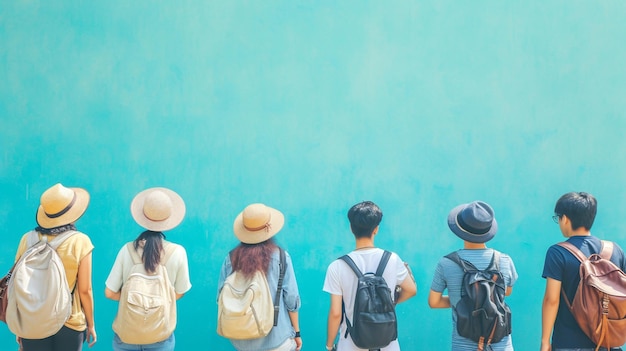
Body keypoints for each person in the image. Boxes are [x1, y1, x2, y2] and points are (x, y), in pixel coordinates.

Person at [105, 187, 192, 351]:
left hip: (126, 338)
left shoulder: (127, 250)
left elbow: (109, 293)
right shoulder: (178, 252)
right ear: (169, 219)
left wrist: (134, 299)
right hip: (160, 337)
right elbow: (180, 292)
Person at [323, 200, 417, 351]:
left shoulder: (337, 266)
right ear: (376, 229)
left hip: (351, 343)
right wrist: (387, 304)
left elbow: (336, 313)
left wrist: (329, 345)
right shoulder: (392, 259)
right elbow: (411, 290)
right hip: (388, 343)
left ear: (351, 228)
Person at [12, 183, 97, 350]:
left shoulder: (27, 239)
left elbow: (17, 284)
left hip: (33, 322)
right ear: (72, 214)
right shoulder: (80, 241)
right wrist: (91, 324)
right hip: (70, 322)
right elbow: (85, 290)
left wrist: (20, 324)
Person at [541, 192, 626, 351]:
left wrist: (545, 341)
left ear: (564, 219)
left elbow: (551, 300)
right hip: (609, 341)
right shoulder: (615, 250)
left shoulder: (557, 252)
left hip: (569, 343)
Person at [428, 200, 517, 351]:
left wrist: (462, 299)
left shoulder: (446, 263)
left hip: (463, 345)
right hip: (501, 344)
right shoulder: (504, 260)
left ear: (461, 229)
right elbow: (506, 292)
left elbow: (434, 302)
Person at [217, 203, 302, 351]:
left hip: (242, 342)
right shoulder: (281, 257)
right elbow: (291, 299)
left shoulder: (230, 259)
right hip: (277, 340)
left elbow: (220, 298)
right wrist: (297, 332)